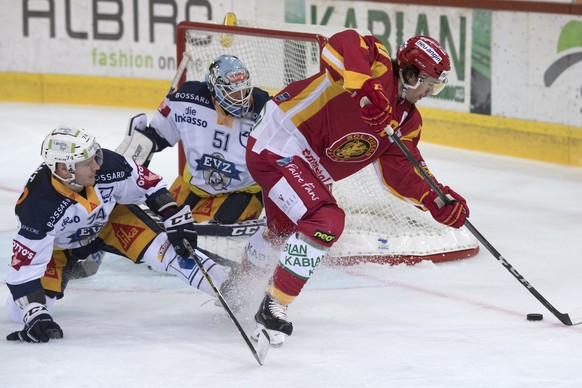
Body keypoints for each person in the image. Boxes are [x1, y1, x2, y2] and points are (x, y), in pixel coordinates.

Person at [241, 31, 470, 346]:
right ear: (413, 74)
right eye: (430, 82)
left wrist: (436, 198)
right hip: (280, 141)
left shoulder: (407, 121)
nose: (431, 91)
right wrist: (363, 88)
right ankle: (273, 305)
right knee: (326, 221)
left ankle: (237, 284)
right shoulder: (376, 65)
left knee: (283, 231)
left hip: (307, 169)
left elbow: (401, 174)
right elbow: (340, 45)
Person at [5, 126, 228, 343]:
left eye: (96, 156)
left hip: (110, 222)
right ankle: (73, 265)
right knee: (20, 312)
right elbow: (22, 272)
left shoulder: (108, 166)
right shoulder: (37, 209)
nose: (96, 165)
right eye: (87, 162)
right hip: (59, 248)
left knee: (168, 251)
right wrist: (35, 314)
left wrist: (172, 213)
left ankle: (230, 287)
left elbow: (149, 184)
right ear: (64, 169)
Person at [117, 54, 271, 225]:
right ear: (214, 89)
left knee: (219, 234)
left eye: (244, 90)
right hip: (194, 185)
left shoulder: (264, 107)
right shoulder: (186, 99)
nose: (241, 98)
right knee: (166, 223)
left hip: (244, 190)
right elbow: (158, 137)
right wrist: (139, 144)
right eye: (233, 93)